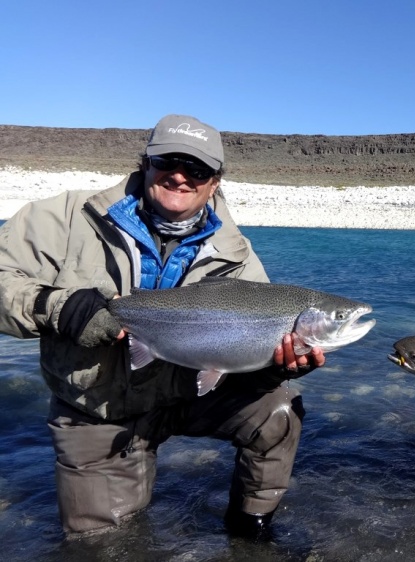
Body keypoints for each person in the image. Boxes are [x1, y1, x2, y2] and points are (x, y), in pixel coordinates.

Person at [0, 114, 324, 538]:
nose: (179, 176)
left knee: (279, 408)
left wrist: (278, 364)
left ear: (215, 181)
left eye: (196, 169)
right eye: (167, 161)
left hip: (187, 392)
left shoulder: (235, 252)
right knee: (103, 542)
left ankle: (250, 530)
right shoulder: (65, 216)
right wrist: (58, 307)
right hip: (98, 407)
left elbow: (253, 337)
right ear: (145, 163)